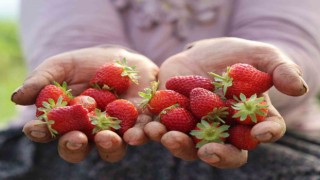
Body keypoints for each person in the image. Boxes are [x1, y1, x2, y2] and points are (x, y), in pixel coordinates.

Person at [2, 0, 320, 179]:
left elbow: (294, 44)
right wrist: (99, 70)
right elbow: (69, 41)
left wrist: (251, 84)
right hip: (78, 137)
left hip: (263, 134)